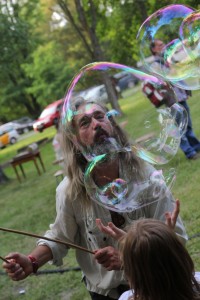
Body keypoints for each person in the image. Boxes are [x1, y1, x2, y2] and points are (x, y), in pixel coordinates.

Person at [2, 98, 187, 299]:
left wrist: (131, 258)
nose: (96, 124)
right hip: (104, 293)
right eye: (85, 123)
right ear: (75, 141)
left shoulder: (147, 177)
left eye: (100, 116)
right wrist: (32, 261)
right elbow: (61, 236)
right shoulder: (69, 191)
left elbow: (174, 236)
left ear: (113, 126)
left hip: (154, 283)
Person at [96, 207, 200, 300]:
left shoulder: (126, 297)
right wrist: (164, 243)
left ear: (133, 276)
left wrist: (131, 249)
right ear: (180, 256)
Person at [150, 39, 200, 160]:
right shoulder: (155, 65)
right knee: (180, 127)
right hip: (172, 101)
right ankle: (190, 153)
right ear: (154, 49)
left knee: (187, 125)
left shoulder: (167, 60)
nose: (164, 46)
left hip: (180, 97)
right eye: (160, 45)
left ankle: (196, 146)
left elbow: (179, 77)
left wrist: (186, 91)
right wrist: (172, 67)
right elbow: (164, 80)